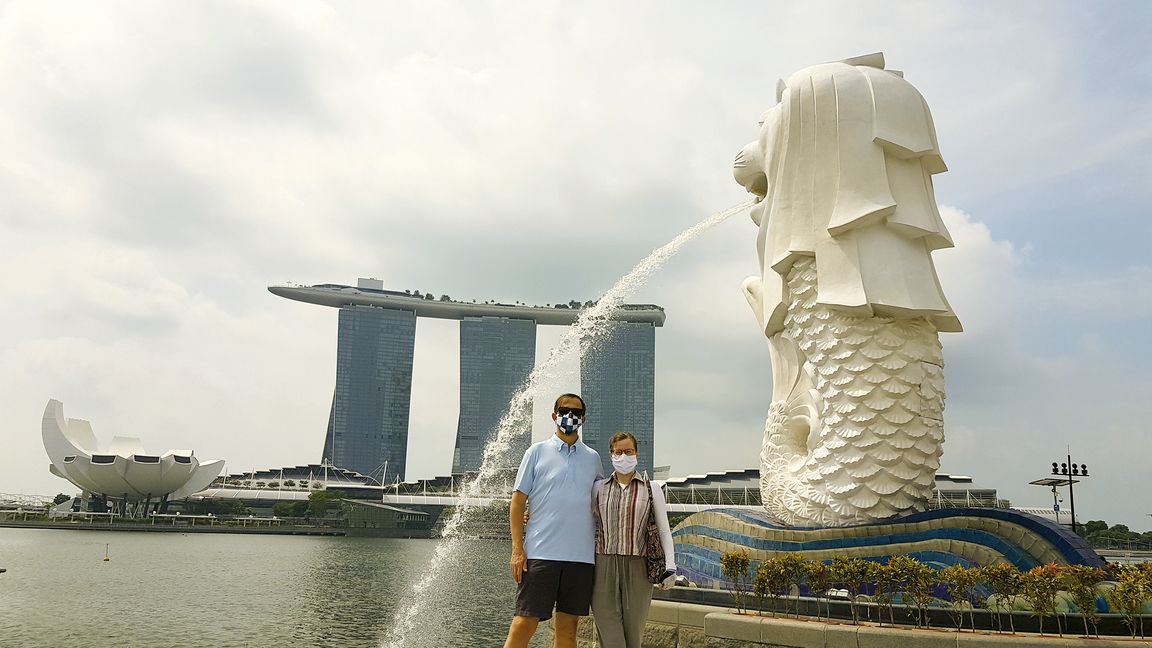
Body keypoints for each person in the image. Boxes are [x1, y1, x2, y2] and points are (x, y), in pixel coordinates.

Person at [504, 393, 603, 648]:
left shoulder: (592, 458)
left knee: (568, 631)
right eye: (564, 410)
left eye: (576, 412)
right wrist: (517, 550)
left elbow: (600, 502)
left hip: (581, 558)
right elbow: (517, 503)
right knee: (523, 623)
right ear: (554, 415)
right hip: (541, 553)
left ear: (584, 418)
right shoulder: (536, 452)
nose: (570, 416)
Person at [590, 432, 676, 648]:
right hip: (603, 565)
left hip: (639, 566)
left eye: (628, 452)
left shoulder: (652, 488)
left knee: (634, 636)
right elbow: (585, 523)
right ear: (611, 455)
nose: (623, 457)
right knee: (610, 636)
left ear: (636, 453)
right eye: (618, 452)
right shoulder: (598, 488)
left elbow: (664, 531)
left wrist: (671, 567)